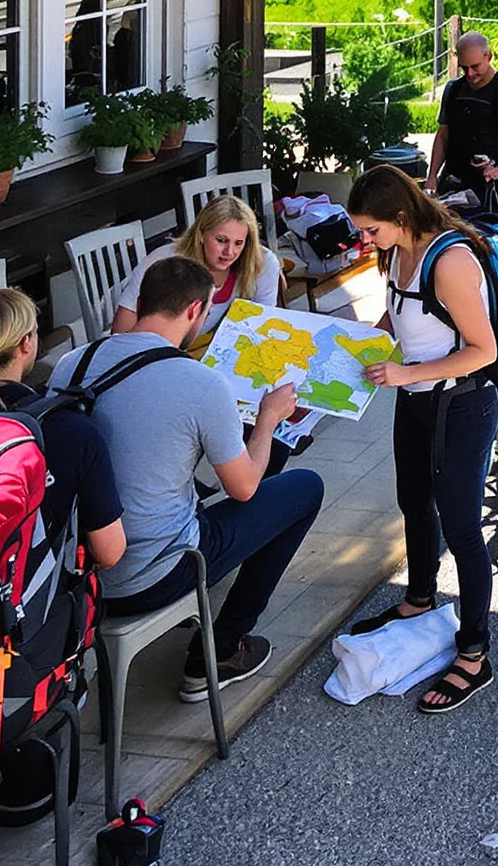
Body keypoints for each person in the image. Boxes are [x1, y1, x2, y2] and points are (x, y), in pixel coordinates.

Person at [51, 255, 323, 701]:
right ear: (197, 310)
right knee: (305, 488)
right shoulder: (200, 382)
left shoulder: (73, 364)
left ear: (140, 301)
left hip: (79, 575)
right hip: (153, 574)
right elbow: (245, 487)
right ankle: (221, 650)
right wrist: (270, 417)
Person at [0, 288, 126, 818]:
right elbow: (110, 552)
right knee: (77, 589)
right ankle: (30, 755)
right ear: (27, 344)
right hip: (12, 645)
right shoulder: (66, 427)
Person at [344, 164, 498, 715]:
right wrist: (367, 339)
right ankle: (420, 597)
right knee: (414, 502)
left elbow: (485, 350)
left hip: (461, 403)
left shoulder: (451, 261)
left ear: (402, 218)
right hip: (416, 399)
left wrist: (406, 374)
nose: (365, 242)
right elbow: (402, 312)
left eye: (372, 231)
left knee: (461, 526)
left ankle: (475, 652)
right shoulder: (395, 253)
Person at [109, 194, 280, 337]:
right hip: (147, 350)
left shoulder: (262, 263)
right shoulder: (164, 263)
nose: (229, 252)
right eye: (221, 240)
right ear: (201, 234)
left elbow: (262, 329)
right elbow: (120, 333)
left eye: (239, 243)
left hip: (199, 349)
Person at [428, 32, 498, 220]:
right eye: (464, 68)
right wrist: (432, 177)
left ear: (488, 56)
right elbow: (443, 136)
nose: (470, 74)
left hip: (492, 190)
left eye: (475, 66)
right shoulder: (453, 90)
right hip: (453, 185)